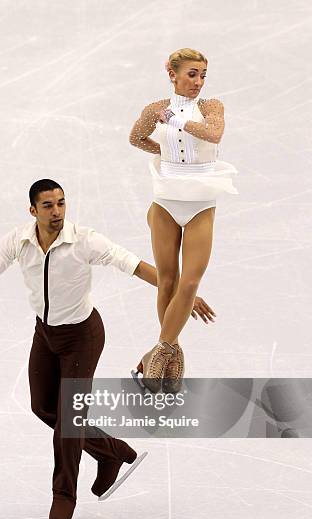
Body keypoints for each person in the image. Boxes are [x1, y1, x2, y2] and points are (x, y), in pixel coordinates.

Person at [0, 178, 216, 519]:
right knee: (44, 407)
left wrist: (181, 296)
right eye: (49, 206)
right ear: (33, 210)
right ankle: (112, 452)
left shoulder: (84, 240)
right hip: (46, 334)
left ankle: (64, 495)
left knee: (70, 417)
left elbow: (134, 264)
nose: (57, 211)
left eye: (62, 203)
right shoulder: (19, 241)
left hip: (83, 336)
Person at [129, 47, 238, 393]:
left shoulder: (211, 107)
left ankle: (158, 352)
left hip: (200, 203)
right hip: (165, 201)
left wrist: (174, 121)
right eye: (192, 74)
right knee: (167, 281)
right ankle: (172, 353)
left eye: (203, 74)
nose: (198, 82)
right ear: (172, 73)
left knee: (190, 283)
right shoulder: (153, 109)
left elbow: (214, 134)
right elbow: (135, 138)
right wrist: (165, 152)